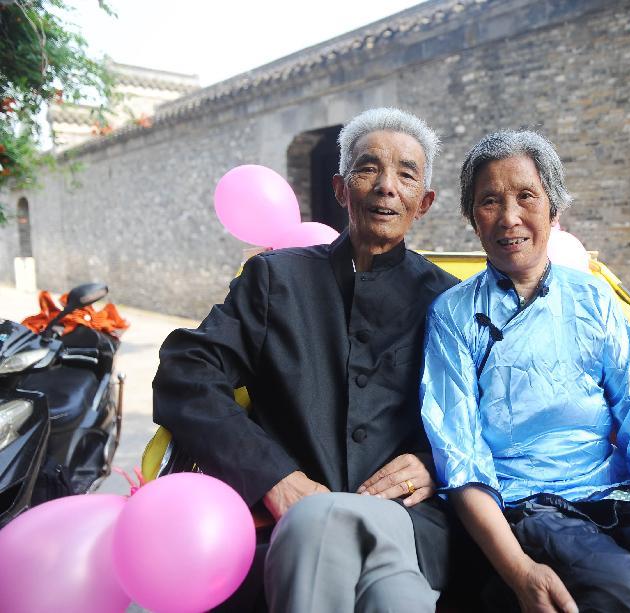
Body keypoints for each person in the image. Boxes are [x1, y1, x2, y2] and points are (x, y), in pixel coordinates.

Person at [420, 130, 630, 612]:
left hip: (618, 497)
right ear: (473, 219)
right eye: (490, 201)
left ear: (554, 209)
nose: (509, 217)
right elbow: (460, 456)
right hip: (525, 510)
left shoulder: (594, 299)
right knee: (625, 596)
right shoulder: (453, 315)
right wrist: (518, 570)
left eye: (526, 196)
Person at [153, 108, 459, 612]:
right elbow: (186, 374)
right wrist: (273, 476)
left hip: (410, 525)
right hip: (290, 520)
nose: (386, 187)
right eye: (368, 168)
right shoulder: (277, 281)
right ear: (341, 189)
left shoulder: (450, 303)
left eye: (406, 174)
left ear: (423, 203)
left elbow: (492, 419)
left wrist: (436, 464)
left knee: (395, 595)